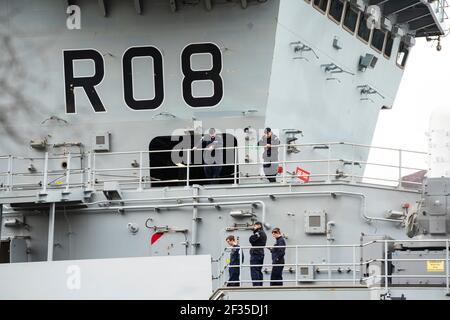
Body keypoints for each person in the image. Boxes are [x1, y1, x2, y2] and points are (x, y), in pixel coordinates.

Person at [249, 221, 267, 286]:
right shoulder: (263, 233)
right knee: (258, 270)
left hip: (256, 253)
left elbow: (251, 240)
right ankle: (259, 285)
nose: (254, 227)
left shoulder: (259, 233)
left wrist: (253, 236)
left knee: (254, 270)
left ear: (259, 225)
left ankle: (256, 285)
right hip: (260, 253)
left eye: (255, 225)